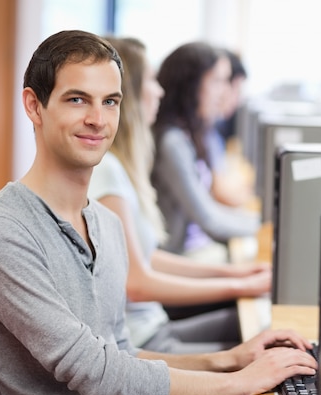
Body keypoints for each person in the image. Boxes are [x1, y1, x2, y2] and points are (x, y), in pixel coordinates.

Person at [0, 30, 316, 395]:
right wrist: (239, 381)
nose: (97, 119)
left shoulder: (105, 223)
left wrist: (231, 359)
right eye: (77, 100)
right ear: (34, 105)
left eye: (110, 102)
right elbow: (96, 373)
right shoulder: (1, 231)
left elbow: (121, 354)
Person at [88, 36, 270, 353]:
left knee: (271, 331)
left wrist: (237, 273)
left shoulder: (124, 166)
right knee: (263, 343)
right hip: (142, 339)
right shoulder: (110, 170)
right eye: (150, 81)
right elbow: (139, 282)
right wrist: (238, 282)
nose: (159, 91)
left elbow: (144, 257)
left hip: (154, 324)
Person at [152, 41, 260, 264]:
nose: (224, 92)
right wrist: (265, 225)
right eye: (217, 81)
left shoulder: (193, 135)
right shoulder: (172, 142)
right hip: (182, 256)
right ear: (190, 85)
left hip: (201, 249)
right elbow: (208, 218)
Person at [208, 48, 255, 208]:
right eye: (237, 90)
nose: (237, 99)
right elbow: (221, 193)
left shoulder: (212, 133)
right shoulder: (197, 136)